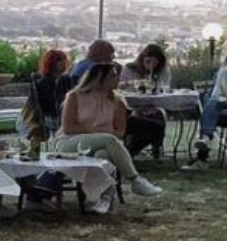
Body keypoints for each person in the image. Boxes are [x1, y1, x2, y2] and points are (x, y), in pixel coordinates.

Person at [56, 63, 163, 196]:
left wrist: (100, 133)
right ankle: (135, 179)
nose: (117, 78)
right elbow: (69, 128)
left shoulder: (118, 101)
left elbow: (120, 132)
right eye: (112, 76)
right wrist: (99, 131)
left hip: (106, 142)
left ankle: (99, 199)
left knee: (103, 155)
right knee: (108, 139)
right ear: (99, 79)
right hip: (70, 142)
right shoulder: (74, 96)